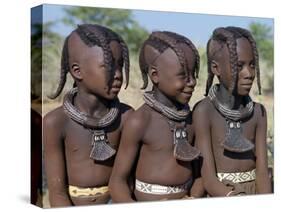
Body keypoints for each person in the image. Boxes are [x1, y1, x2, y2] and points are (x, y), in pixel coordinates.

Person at [43, 24, 133, 207]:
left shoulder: (127, 117)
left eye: (120, 66)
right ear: (77, 71)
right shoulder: (55, 122)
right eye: (108, 66)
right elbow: (57, 192)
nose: (117, 75)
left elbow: (129, 180)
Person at [109, 31, 203, 202]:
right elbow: (118, 182)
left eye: (193, 74)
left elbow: (200, 175)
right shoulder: (140, 121)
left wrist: (194, 197)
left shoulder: (191, 119)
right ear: (155, 75)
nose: (192, 82)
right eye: (183, 75)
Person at [193, 26, 272, 196]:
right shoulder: (204, 112)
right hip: (221, 194)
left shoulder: (259, 113)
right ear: (216, 68)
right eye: (239, 66)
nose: (249, 73)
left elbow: (262, 172)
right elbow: (208, 178)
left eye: (252, 65)